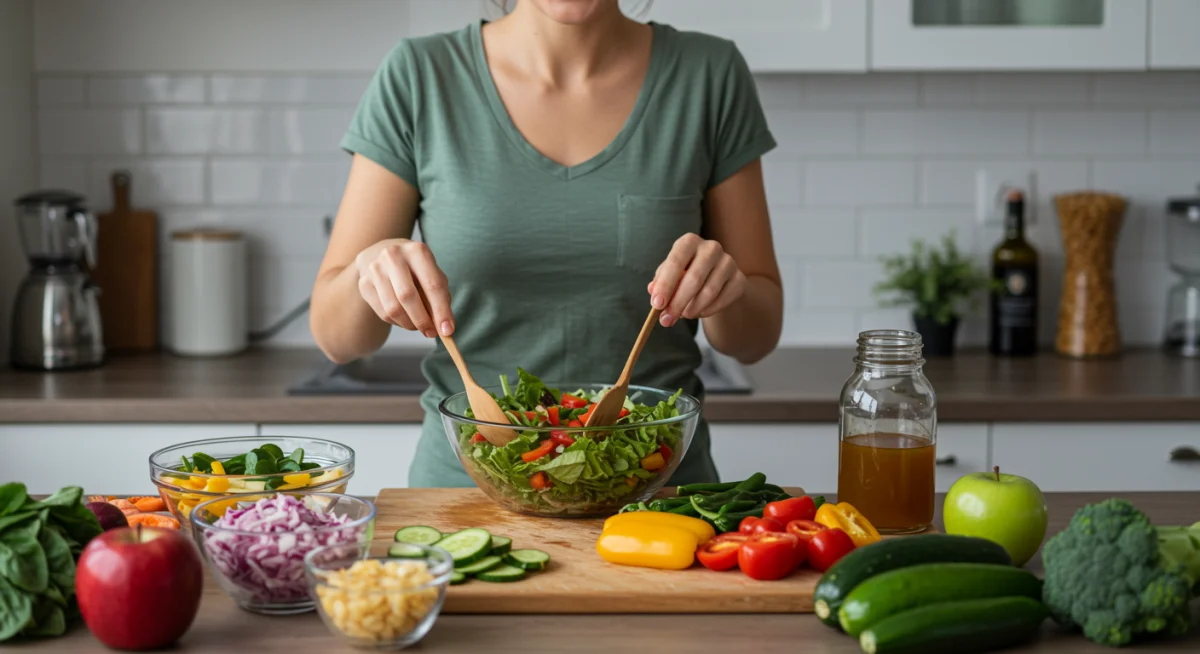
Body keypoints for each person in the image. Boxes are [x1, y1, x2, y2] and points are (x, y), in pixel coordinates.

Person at [310, 0, 783, 488]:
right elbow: (338, 339)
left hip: (658, 493)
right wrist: (370, 269)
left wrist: (727, 289)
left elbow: (755, 339)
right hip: (466, 498)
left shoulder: (709, 73)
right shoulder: (419, 75)